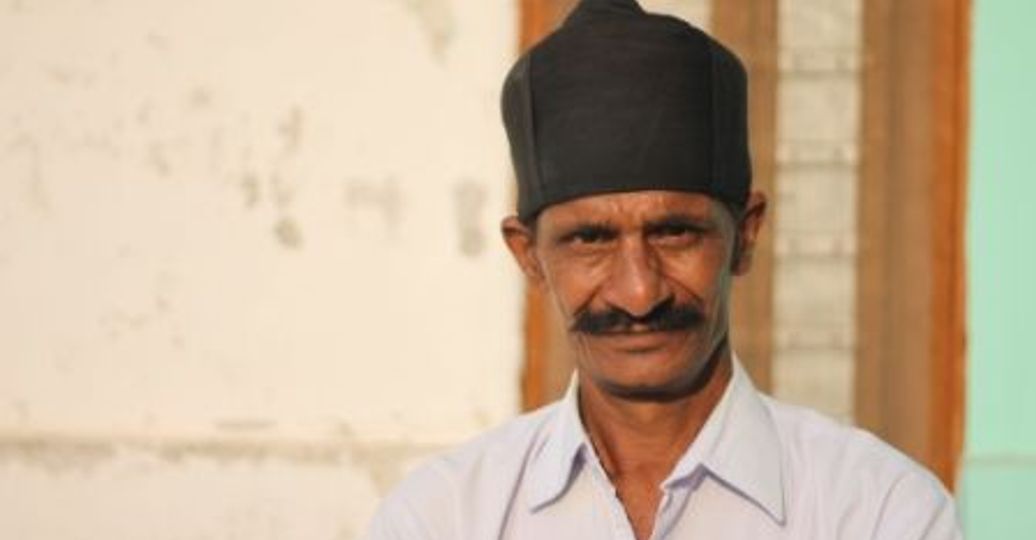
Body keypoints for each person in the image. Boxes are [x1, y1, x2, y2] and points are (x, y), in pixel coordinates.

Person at [363, 0, 962, 538]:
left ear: (745, 235)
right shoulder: (443, 517)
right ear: (529, 257)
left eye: (675, 233)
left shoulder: (878, 511)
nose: (639, 291)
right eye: (591, 239)